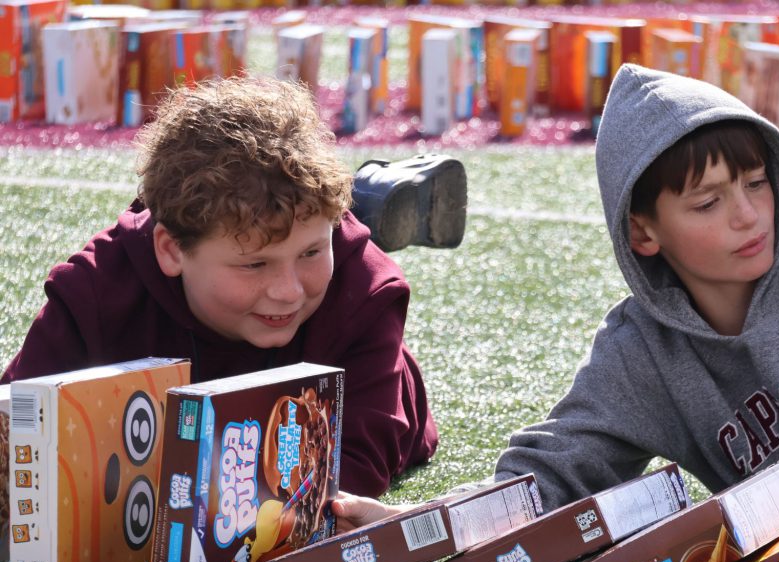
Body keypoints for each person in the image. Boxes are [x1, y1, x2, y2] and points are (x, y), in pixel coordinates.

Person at [333, 64, 779, 548]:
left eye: (757, 182)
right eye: (707, 202)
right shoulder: (642, 353)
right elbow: (550, 475)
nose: (749, 215)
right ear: (644, 231)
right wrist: (420, 523)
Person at [1, 75, 460, 499]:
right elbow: (15, 422)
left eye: (310, 253)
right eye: (255, 263)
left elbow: (355, 471)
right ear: (171, 251)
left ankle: (359, 205)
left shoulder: (363, 289)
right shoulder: (97, 291)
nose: (288, 291)